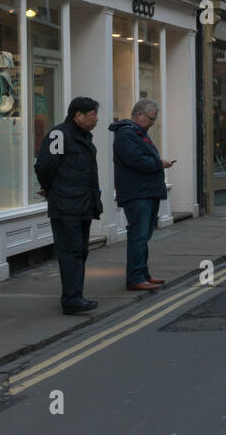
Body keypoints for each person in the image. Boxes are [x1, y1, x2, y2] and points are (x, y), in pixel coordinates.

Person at [35, 97, 104, 315]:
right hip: (66, 205)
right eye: (92, 114)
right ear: (78, 115)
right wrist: (52, 189)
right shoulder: (59, 135)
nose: (96, 118)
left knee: (80, 252)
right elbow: (44, 168)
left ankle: (75, 296)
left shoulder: (83, 136)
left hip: (83, 204)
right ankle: (72, 300)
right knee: (71, 252)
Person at [109, 99, 175, 292]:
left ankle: (143, 274)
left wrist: (157, 162)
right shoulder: (126, 135)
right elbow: (136, 160)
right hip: (137, 193)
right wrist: (159, 163)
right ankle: (135, 278)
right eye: (150, 118)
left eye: (154, 119)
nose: (153, 123)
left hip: (147, 192)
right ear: (138, 115)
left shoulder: (139, 133)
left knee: (144, 235)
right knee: (138, 235)